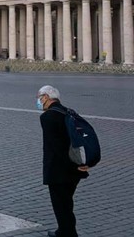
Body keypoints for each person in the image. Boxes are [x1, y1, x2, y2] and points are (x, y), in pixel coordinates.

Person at [37, 85, 89, 237]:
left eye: (40, 98)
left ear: (46, 97)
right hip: (75, 169)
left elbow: (57, 147)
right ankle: (64, 231)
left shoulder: (47, 117)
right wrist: (79, 165)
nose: (39, 102)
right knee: (66, 203)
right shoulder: (68, 112)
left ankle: (68, 233)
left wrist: (71, 167)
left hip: (59, 170)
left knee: (61, 205)